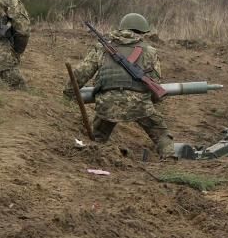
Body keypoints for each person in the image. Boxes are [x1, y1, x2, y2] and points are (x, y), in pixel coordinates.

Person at [64, 13, 175, 158]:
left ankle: (94, 158)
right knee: (161, 134)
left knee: (98, 137)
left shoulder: (101, 48)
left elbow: (81, 73)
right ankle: (170, 160)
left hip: (107, 104)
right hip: (139, 104)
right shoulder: (150, 51)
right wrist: (152, 101)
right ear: (142, 31)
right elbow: (154, 81)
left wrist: (68, 94)